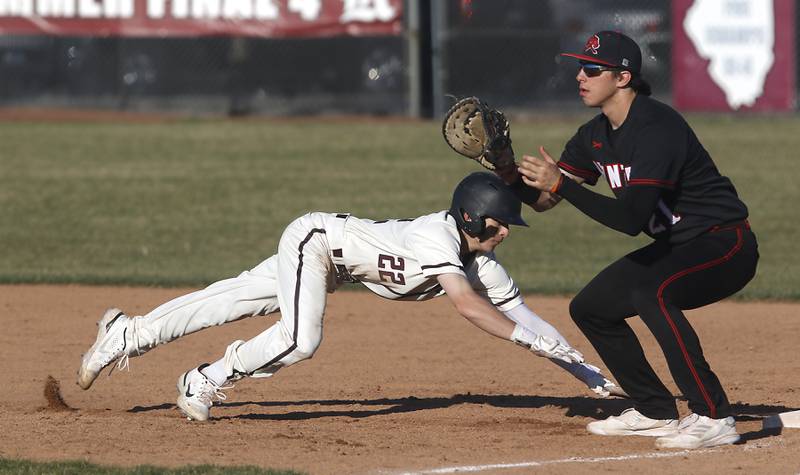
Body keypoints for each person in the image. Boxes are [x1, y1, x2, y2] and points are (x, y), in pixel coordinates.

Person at [77, 172, 625, 421]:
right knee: (300, 337)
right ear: (469, 217)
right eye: (500, 223)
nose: (506, 231)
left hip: (334, 266)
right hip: (316, 241)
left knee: (227, 299)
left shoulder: (483, 261)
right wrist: (531, 343)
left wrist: (590, 375)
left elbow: (523, 315)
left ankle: (126, 333)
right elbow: (465, 305)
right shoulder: (435, 238)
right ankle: (204, 379)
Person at [499, 31, 759, 449]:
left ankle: (714, 415)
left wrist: (563, 186)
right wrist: (508, 172)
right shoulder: (595, 135)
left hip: (723, 244)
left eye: (592, 69)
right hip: (678, 246)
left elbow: (630, 220)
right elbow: (546, 200)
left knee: (651, 292)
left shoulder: (658, 127)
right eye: (579, 67)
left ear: (623, 78)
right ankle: (656, 410)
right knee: (591, 308)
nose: (580, 76)